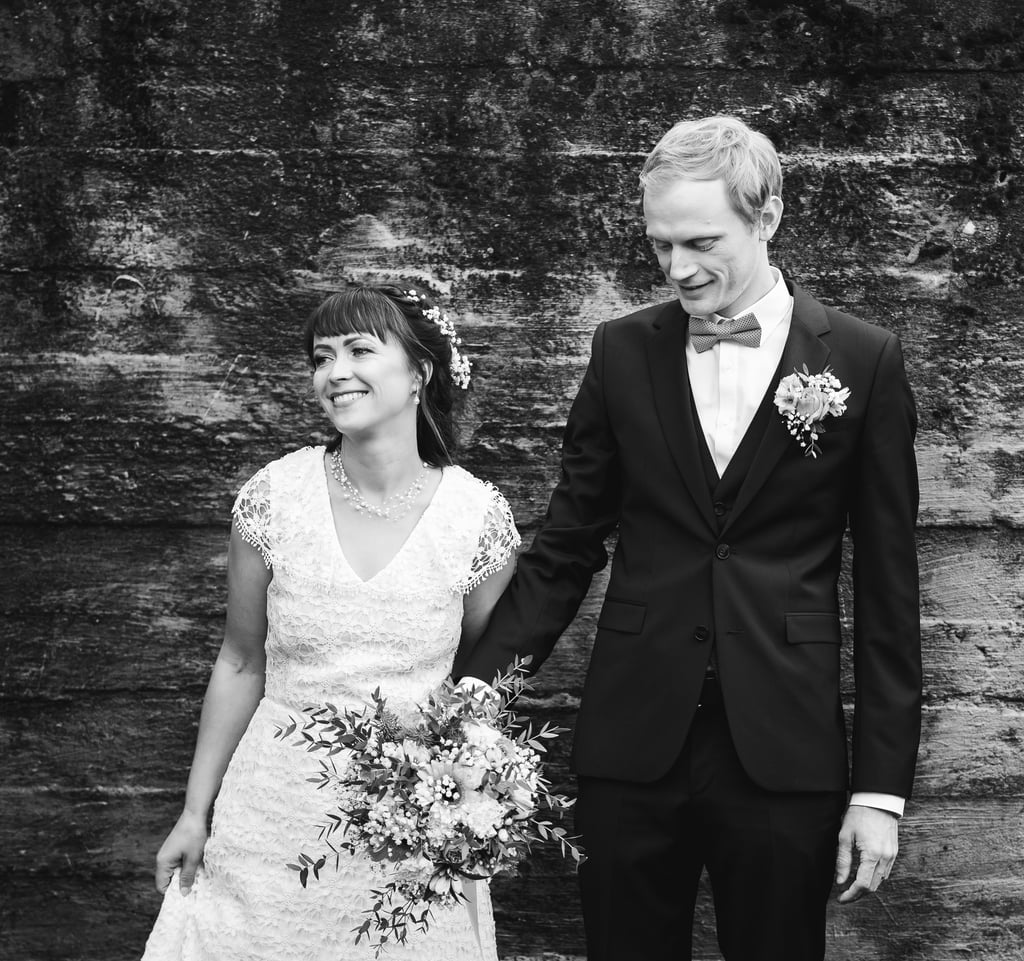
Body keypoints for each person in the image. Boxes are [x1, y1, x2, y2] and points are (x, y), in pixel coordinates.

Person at [457, 116, 922, 961]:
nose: (677, 268)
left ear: (768, 217)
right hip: (631, 744)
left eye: (701, 241)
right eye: (660, 245)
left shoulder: (864, 360)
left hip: (785, 751)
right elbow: (565, 548)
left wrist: (882, 790)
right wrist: (471, 699)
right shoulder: (622, 350)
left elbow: (889, 591)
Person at [142, 284, 519, 961]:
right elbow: (239, 659)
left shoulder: (476, 520)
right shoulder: (273, 498)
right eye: (322, 356)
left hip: (407, 831)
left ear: (419, 373)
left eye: (359, 350)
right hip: (270, 817)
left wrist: (467, 804)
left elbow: (484, 686)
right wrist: (195, 813)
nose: (334, 372)